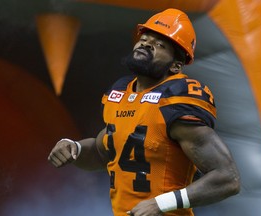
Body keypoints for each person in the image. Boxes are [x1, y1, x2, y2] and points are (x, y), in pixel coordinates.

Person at [48, 8, 240, 216]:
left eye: (159, 44)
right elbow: (102, 152)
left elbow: (228, 178)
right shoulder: (120, 93)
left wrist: (160, 204)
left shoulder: (176, 99)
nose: (146, 43)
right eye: (145, 38)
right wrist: (73, 149)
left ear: (176, 66)